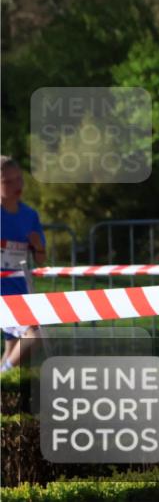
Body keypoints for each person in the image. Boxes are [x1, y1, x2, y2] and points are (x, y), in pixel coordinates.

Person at [0, 156, 46, 372]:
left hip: (20, 288)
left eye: (19, 179)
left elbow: (41, 260)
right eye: (8, 182)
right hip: (1, 290)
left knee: (13, 351)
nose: (17, 186)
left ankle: (4, 395)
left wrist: (38, 247)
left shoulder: (29, 215)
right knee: (35, 335)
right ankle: (4, 374)